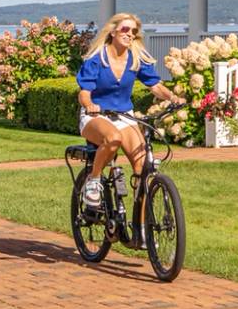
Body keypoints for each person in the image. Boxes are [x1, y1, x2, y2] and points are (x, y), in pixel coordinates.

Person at [76, 13, 182, 207]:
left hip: (124, 116)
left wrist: (172, 97)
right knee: (113, 138)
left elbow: (155, 85)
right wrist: (89, 105)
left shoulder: (135, 59)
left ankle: (141, 227)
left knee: (143, 167)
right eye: (125, 29)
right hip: (97, 116)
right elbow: (84, 92)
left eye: (134, 31)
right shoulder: (97, 59)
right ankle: (94, 180)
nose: (130, 34)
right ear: (113, 31)